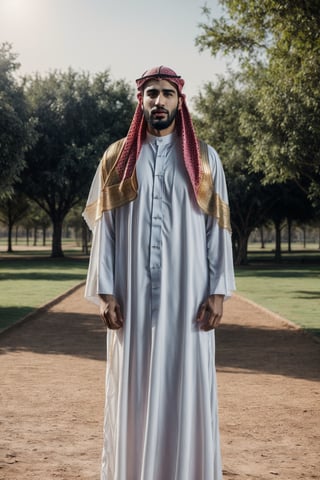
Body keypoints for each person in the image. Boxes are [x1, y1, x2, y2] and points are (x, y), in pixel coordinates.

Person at [83, 66, 235, 480]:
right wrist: (105, 291)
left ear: (179, 101)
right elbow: (106, 231)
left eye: (168, 93)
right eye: (152, 93)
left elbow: (217, 229)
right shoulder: (117, 158)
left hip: (189, 297)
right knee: (133, 387)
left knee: (185, 383)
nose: (159, 101)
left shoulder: (204, 159)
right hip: (130, 295)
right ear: (141, 101)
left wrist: (218, 290)